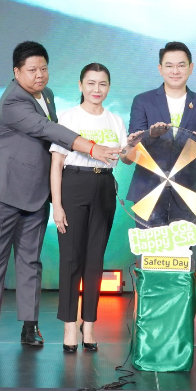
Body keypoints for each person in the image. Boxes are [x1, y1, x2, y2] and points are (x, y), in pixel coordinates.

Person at [0, 41, 120, 349]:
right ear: (16, 72)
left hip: (35, 192)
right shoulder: (13, 100)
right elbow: (47, 129)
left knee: (31, 261)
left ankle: (30, 326)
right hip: (3, 190)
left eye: (43, 68)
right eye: (32, 70)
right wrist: (92, 147)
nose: (39, 75)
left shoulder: (47, 94)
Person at [50, 63, 134, 353]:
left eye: (102, 84)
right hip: (74, 184)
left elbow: (126, 158)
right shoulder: (69, 117)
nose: (97, 89)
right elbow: (56, 163)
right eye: (91, 83)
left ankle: (89, 326)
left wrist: (132, 146)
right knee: (71, 259)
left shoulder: (115, 120)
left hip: (104, 187)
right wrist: (57, 205)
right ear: (80, 85)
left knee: (94, 260)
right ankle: (69, 326)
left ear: (109, 87)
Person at [127, 42, 196, 226]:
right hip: (148, 192)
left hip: (187, 193)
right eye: (169, 66)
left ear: (190, 68)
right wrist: (150, 136)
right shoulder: (143, 101)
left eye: (181, 65)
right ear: (160, 69)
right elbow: (132, 150)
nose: (175, 71)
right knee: (149, 245)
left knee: (182, 245)